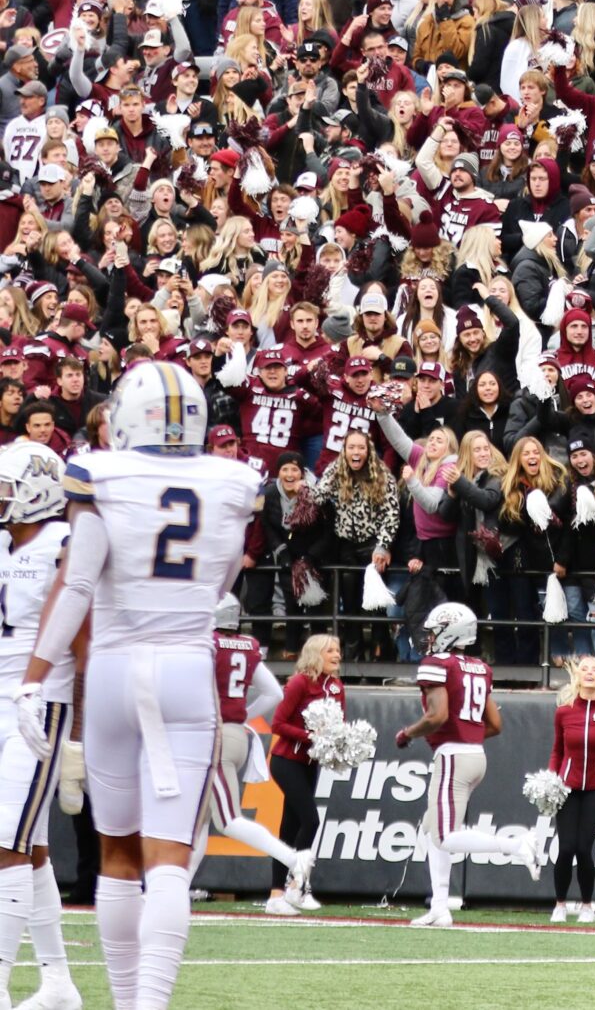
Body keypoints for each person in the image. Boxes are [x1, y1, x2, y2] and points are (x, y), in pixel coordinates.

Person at [17, 363, 260, 1010]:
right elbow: (222, 582)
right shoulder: (231, 481)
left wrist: (33, 679)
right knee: (170, 860)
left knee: (118, 854)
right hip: (184, 667)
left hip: (115, 669)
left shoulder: (101, 473)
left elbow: (77, 584)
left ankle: (126, 1001)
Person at [390, 602, 533, 926]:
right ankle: (439, 906)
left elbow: (437, 716)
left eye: (434, 631)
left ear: (449, 632)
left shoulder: (436, 664)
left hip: (453, 757)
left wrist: (407, 733)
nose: (429, 638)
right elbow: (495, 724)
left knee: (443, 835)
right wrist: (466, 737)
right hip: (474, 756)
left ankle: (516, 845)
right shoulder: (479, 667)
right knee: (433, 829)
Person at [0, 443, 75, 1009]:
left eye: (7, 488)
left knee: (5, 843)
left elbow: (83, 630)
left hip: (40, 703)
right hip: (3, 700)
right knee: (35, 846)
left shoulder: (64, 542)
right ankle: (58, 983)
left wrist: (83, 727)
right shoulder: (4, 541)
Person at [200, 592, 310, 903]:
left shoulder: (208, 644)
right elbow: (274, 693)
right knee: (196, 825)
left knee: (227, 820)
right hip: (236, 736)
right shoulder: (246, 645)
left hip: (213, 738)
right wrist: (242, 716)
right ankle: (175, 891)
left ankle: (293, 858)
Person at [266, 633, 344, 914]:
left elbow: (340, 725)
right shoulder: (299, 683)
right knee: (310, 820)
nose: (336, 655)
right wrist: (310, 736)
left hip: (311, 763)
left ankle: (276, 896)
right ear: (315, 654)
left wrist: (342, 744)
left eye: (337, 650)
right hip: (286, 761)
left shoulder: (336, 687)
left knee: (289, 827)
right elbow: (277, 724)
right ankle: (297, 886)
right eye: (329, 651)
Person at [547, 655, 595, 924]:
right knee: (566, 847)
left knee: (583, 848)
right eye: (584, 669)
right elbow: (557, 751)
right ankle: (560, 904)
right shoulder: (564, 712)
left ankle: (587, 905)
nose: (589, 673)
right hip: (566, 788)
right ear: (577, 676)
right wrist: (551, 782)